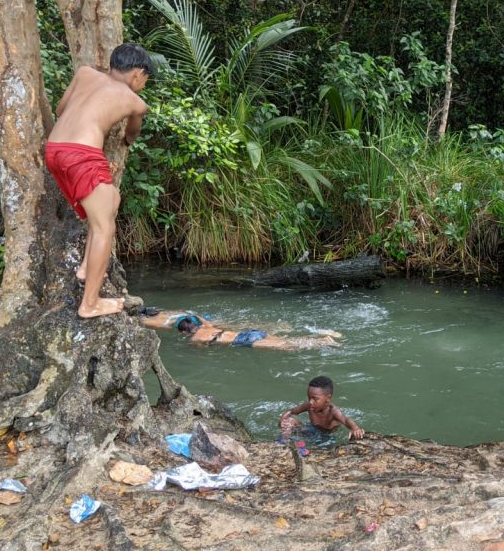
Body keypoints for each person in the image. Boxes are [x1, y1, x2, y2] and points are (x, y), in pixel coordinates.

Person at [46, 43, 152, 319]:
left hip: (55, 150)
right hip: (82, 156)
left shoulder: (84, 74)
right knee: (105, 228)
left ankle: (85, 268)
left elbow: (60, 109)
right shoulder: (136, 102)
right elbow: (132, 134)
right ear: (138, 74)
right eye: (145, 79)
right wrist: (127, 138)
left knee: (111, 200)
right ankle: (90, 304)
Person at [139, 309, 341, 351]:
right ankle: (322, 336)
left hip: (243, 341)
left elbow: (202, 353)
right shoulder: (207, 325)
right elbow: (198, 316)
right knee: (284, 339)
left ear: (184, 332)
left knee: (287, 346)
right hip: (247, 333)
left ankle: (323, 341)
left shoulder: (194, 339)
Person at [279, 376, 364, 446]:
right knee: (289, 421)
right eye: (309, 398)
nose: (311, 402)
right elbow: (292, 411)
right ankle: (285, 444)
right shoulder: (309, 405)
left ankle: (303, 447)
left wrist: (355, 428)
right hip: (311, 431)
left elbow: (346, 420)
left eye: (315, 399)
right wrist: (283, 419)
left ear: (328, 398)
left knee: (324, 448)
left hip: (327, 437)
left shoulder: (332, 411)